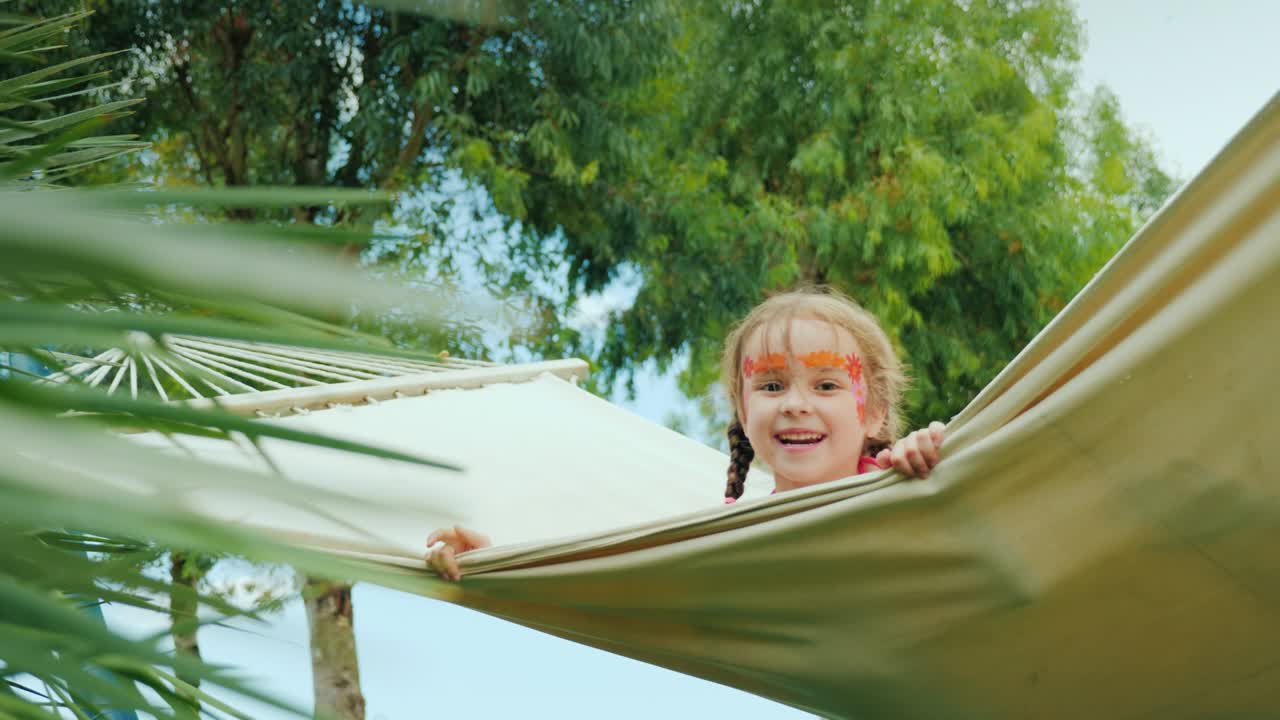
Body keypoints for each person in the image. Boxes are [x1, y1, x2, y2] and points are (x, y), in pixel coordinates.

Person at [427, 288, 945, 581]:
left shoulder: (901, 485)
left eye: (827, 385)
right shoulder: (728, 538)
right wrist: (492, 561)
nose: (794, 404)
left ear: (875, 413)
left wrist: (940, 454)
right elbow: (619, 584)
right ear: (743, 410)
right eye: (771, 385)